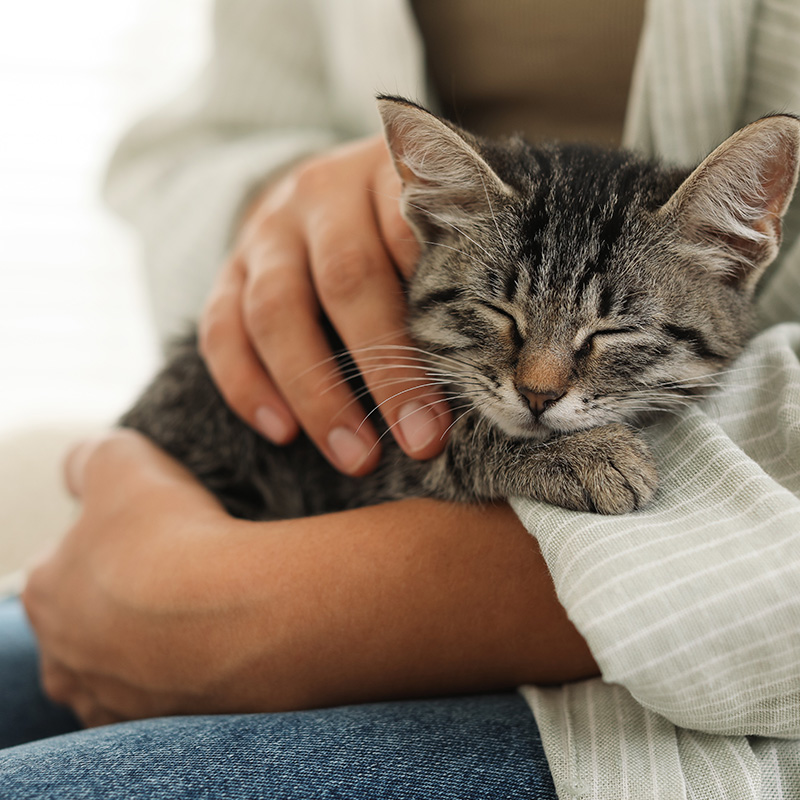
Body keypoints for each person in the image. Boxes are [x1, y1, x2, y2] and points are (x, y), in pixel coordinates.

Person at [2, 1, 800, 798]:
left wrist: (240, 611)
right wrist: (283, 208)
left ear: (731, 260)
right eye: (501, 322)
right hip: (225, 500)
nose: (541, 384)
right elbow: (203, 143)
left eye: (609, 338)